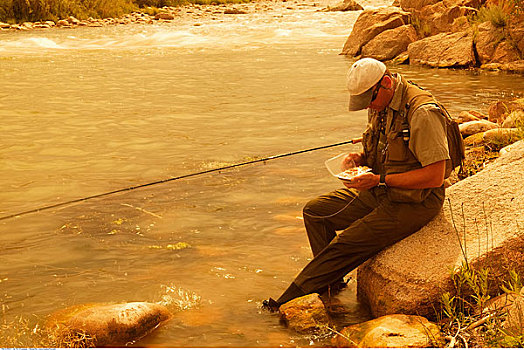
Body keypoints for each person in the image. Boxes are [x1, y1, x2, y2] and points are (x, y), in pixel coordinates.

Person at [263, 57, 451, 311]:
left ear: (385, 83)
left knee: (345, 245)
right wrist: (360, 159)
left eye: (369, 101)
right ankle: (331, 285)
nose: (367, 108)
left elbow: (435, 176)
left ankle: (283, 303)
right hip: (381, 189)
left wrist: (379, 179)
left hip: (416, 200)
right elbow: (384, 150)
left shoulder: (422, 112)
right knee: (316, 212)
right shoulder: (381, 103)